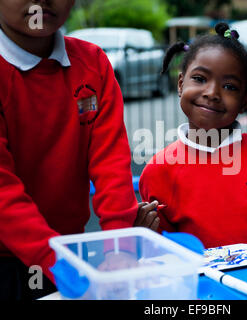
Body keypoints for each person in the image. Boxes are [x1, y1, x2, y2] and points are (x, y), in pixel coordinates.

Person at [0, 0, 138, 299]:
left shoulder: (92, 63)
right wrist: (56, 261)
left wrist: (119, 248)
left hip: (70, 253)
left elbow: (111, 162)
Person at [138, 22, 247, 249]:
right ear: (180, 84)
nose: (212, 93)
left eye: (229, 86)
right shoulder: (158, 171)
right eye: (200, 79)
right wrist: (144, 233)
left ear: (245, 101)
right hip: (201, 285)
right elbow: (161, 252)